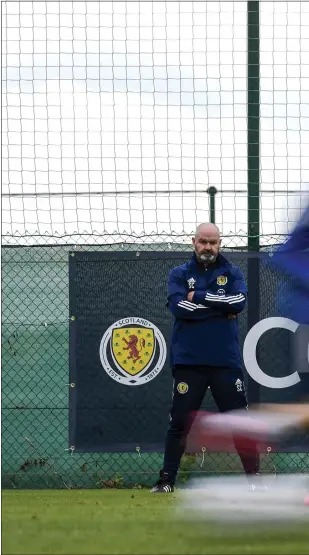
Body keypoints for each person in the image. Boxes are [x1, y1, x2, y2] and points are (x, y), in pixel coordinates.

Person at [151, 223, 260, 493]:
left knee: (239, 423)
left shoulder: (232, 272)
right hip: (189, 362)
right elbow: (180, 307)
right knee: (179, 423)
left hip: (225, 362)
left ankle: (255, 482)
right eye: (203, 242)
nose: (208, 247)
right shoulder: (179, 274)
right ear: (193, 242)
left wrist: (198, 296)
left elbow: (239, 304)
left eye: (212, 242)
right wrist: (219, 307)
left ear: (219, 243)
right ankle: (166, 481)